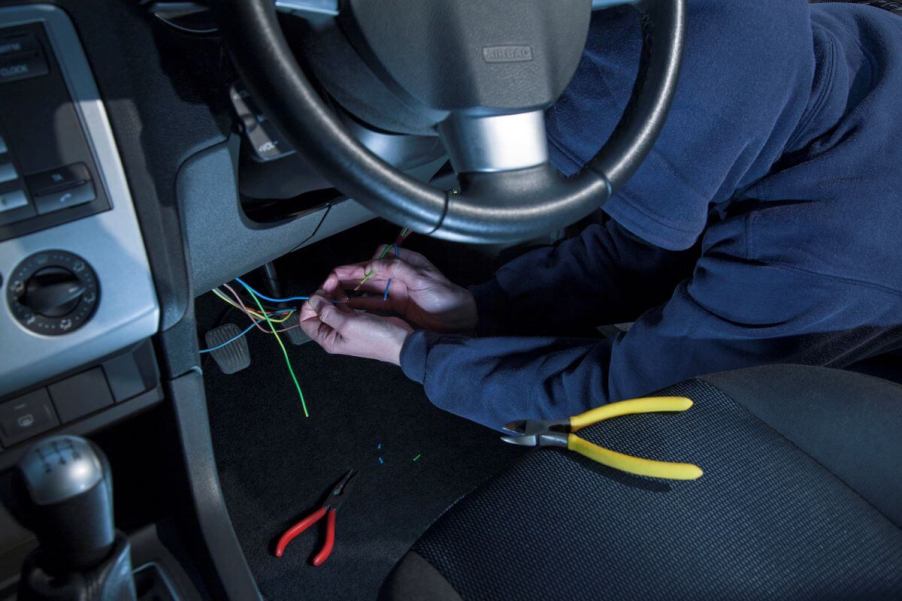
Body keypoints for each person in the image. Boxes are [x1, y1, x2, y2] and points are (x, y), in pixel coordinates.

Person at [299, 0, 902, 429]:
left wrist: (413, 354)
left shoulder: (811, 267)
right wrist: (479, 308)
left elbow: (631, 401)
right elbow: (661, 232)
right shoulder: (815, 50)